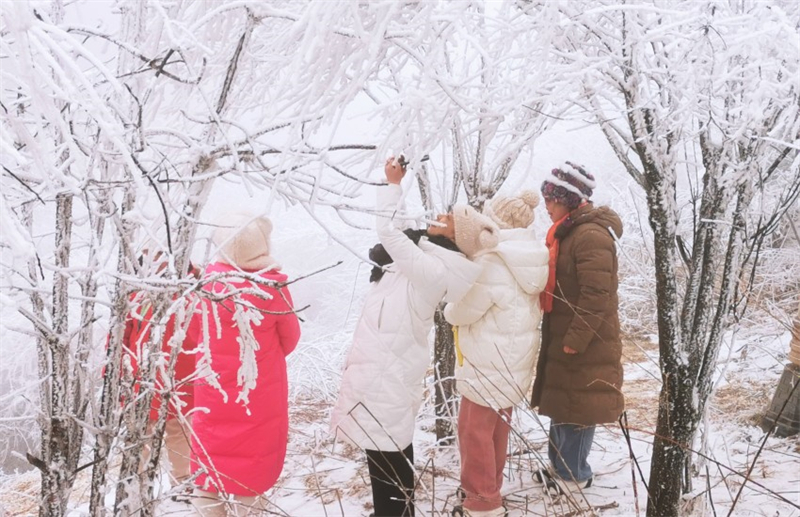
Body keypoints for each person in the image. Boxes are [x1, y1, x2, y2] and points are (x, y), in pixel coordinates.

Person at [330, 156, 499, 517]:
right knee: (387, 447)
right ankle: (395, 511)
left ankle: (394, 513)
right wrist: (398, 185)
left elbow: (389, 233)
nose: (441, 215)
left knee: (386, 450)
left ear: (456, 237)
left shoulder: (432, 270)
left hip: (388, 366)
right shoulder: (425, 254)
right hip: (384, 362)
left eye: (450, 218)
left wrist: (393, 185)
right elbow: (403, 229)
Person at [445, 190, 549, 517]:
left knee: (474, 431)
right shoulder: (534, 257)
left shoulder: (494, 259)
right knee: (496, 430)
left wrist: (449, 306)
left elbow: (461, 312)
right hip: (513, 363)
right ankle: (490, 487)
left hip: (486, 363)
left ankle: (482, 502)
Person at [189, 213, 301, 517]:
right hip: (259, 391)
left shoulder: (207, 286)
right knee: (252, 470)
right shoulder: (272, 287)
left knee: (210, 466)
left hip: (212, 390)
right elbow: (290, 338)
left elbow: (192, 334)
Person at [529, 162, 624, 496]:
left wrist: (576, 339)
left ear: (569, 200)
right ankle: (560, 466)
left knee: (579, 407)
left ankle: (575, 474)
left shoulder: (590, 236)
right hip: (567, 333)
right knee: (564, 404)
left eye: (551, 199)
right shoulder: (569, 232)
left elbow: (597, 295)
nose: (546, 205)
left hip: (585, 340)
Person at [119, 248, 200, 495]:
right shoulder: (193, 292)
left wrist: (114, 372)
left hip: (150, 377)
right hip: (170, 378)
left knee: (146, 433)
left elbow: (120, 339)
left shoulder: (140, 294)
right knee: (176, 432)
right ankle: (180, 484)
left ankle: (138, 488)